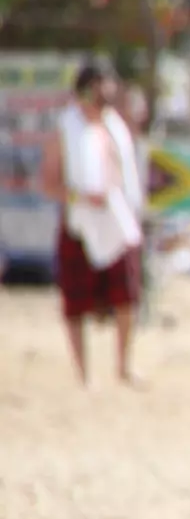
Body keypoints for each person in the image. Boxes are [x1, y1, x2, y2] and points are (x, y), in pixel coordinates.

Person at [40, 60, 145, 386]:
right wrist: (81, 198)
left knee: (126, 296)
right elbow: (49, 182)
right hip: (80, 221)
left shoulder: (116, 127)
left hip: (115, 219)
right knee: (76, 301)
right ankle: (83, 373)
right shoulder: (65, 128)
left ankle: (123, 366)